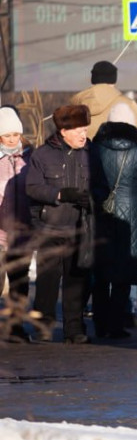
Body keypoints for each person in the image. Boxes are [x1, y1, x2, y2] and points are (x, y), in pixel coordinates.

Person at [25, 104, 94, 344]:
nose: (83, 134)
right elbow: (32, 187)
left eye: (85, 128)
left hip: (79, 227)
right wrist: (61, 195)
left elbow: (103, 185)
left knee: (76, 281)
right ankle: (43, 328)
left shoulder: (91, 153)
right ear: (63, 130)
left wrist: (92, 199)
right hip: (49, 228)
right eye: (78, 129)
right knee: (47, 282)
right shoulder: (42, 155)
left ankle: (74, 329)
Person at [89, 103, 137, 340]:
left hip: (100, 216)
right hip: (129, 218)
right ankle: (116, 325)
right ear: (131, 124)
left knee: (101, 273)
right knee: (123, 274)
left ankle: (99, 323)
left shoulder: (95, 148)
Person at [0, 106, 33, 342]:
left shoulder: (30, 158)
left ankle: (16, 326)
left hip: (24, 232)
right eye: (6, 135)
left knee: (19, 283)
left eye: (15, 135)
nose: (12, 140)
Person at [70, 60, 137, 149]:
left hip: (82, 161)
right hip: (119, 160)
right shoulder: (128, 104)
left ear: (92, 79)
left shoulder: (75, 106)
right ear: (114, 80)